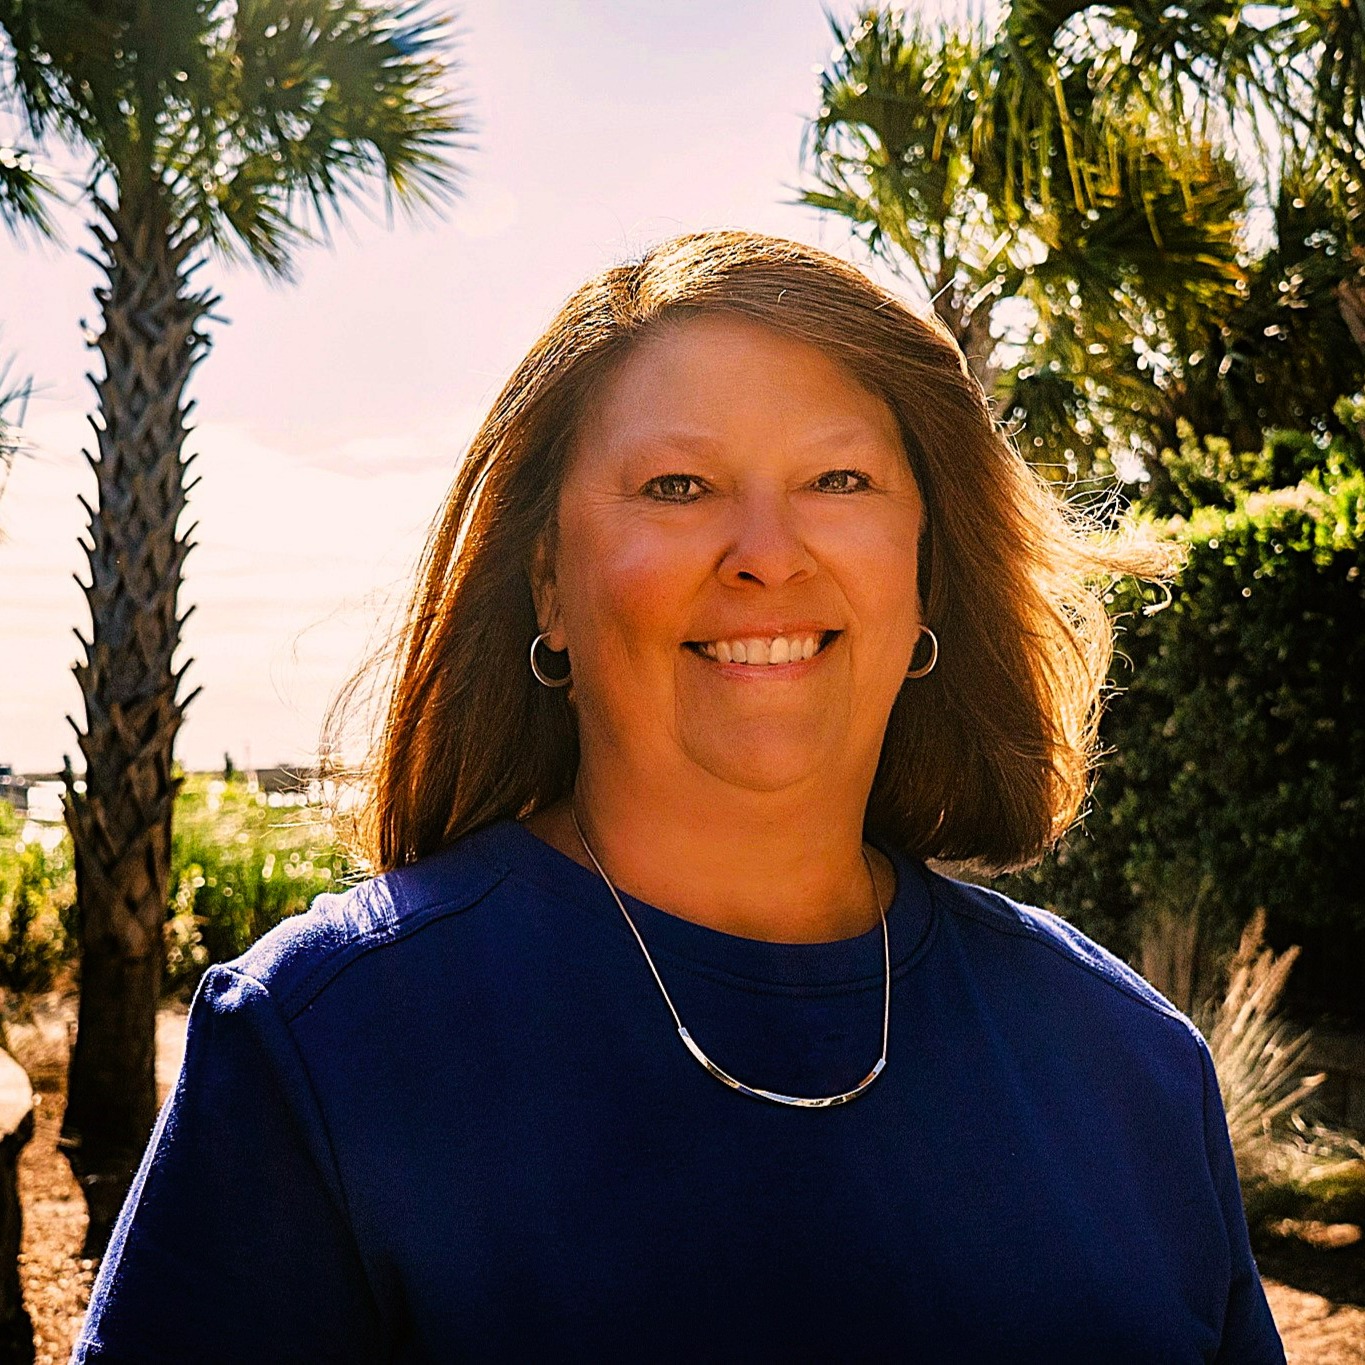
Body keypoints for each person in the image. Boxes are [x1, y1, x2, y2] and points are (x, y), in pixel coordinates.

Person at [72, 231, 1285, 1363]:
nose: (767, 550)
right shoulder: (323, 1048)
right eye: (678, 487)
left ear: (929, 573)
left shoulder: (1130, 1069)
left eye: (840, 478)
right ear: (548, 582)